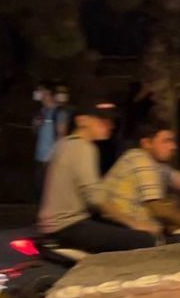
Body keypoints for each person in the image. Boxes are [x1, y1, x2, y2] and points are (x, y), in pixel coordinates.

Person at [38, 100, 157, 254]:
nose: (110, 126)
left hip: (56, 225)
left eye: (110, 121)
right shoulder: (83, 147)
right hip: (69, 226)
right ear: (82, 121)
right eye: (102, 121)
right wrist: (134, 223)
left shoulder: (63, 144)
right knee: (144, 239)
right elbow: (95, 197)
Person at [102, 121, 180, 235]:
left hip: (135, 223)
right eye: (166, 141)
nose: (174, 146)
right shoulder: (141, 160)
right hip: (125, 228)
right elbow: (159, 210)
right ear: (146, 143)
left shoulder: (149, 161)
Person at [33, 81, 70, 195]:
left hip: (52, 158)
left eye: (42, 92)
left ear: (49, 94)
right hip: (40, 157)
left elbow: (61, 135)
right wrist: (36, 125)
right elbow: (36, 132)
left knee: (51, 191)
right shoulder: (42, 112)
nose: (40, 95)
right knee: (41, 190)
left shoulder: (59, 112)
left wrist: (57, 157)